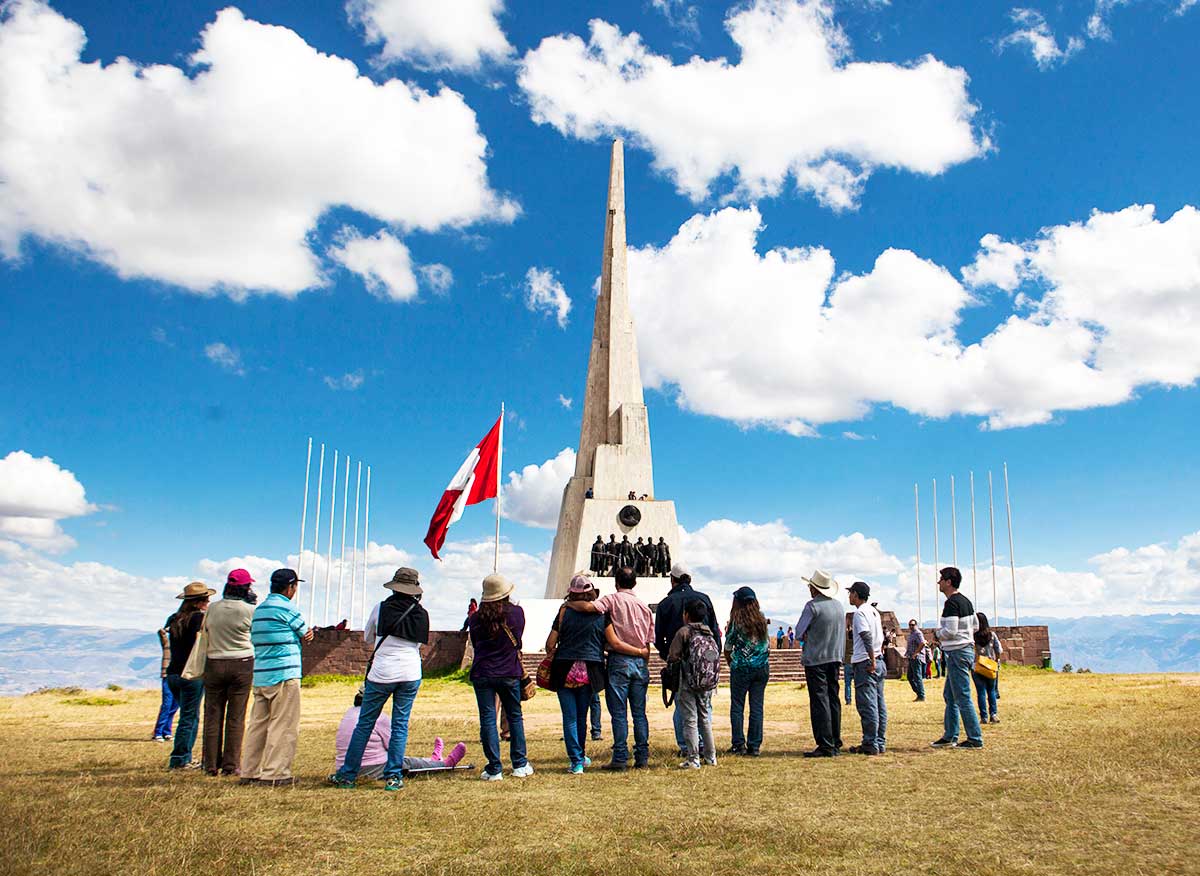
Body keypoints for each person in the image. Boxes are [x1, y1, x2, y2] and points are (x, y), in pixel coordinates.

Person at [330, 568, 429, 791]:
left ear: (394, 586)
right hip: (410, 671)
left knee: (365, 723)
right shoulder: (421, 613)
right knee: (400, 724)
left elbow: (368, 637)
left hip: (382, 672)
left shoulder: (381, 608)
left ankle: (347, 775)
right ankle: (394, 775)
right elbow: (418, 644)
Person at [546, 574, 648, 774]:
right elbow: (614, 642)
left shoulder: (564, 612)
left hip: (564, 668)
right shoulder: (602, 614)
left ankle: (576, 760)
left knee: (570, 717)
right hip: (589, 669)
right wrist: (639, 652)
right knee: (583, 715)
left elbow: (550, 643)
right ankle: (583, 755)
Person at [241, 569, 313, 786]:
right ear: (290, 587)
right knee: (284, 725)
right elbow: (304, 632)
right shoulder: (287, 608)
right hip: (284, 673)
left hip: (262, 673)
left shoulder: (260, 609)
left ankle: (249, 770)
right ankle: (276, 772)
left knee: (257, 725)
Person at [466, 573, 532, 781]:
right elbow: (518, 641)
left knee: (487, 719)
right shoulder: (516, 613)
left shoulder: (475, 618)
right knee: (514, 716)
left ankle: (494, 768)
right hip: (509, 671)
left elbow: (476, 644)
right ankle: (520, 764)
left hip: (483, 672)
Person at [654, 563, 722, 757]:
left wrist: (668, 656)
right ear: (690, 579)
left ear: (672, 579)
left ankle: (686, 747)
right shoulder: (704, 599)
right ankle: (704, 747)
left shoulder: (666, 603)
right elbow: (716, 632)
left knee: (682, 706)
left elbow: (658, 638)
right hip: (704, 663)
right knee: (705, 706)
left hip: (679, 663)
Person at [334, 689, 466, 778]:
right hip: (370, 768)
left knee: (404, 760)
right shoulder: (379, 717)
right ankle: (445, 764)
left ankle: (434, 760)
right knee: (407, 762)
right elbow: (393, 746)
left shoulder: (348, 714)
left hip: (343, 767)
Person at [201, 568, 257, 776]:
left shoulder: (212, 609)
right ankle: (231, 764)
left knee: (212, 715)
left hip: (214, 662)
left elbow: (205, 630)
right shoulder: (248, 611)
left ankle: (210, 764)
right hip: (241, 663)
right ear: (246, 588)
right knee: (236, 716)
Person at [930, 567, 984, 750]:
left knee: (962, 696)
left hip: (957, 652)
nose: (938, 583)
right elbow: (975, 626)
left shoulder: (952, 603)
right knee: (950, 696)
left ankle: (975, 738)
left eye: (941, 579)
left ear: (948, 582)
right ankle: (950, 735)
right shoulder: (966, 602)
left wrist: (938, 634)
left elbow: (951, 631)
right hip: (965, 649)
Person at [794, 570, 844, 757]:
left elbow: (799, 632)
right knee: (833, 699)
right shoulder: (839, 606)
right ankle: (835, 740)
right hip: (834, 657)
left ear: (814, 589)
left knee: (819, 701)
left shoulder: (812, 607)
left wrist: (808, 634)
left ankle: (825, 744)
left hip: (816, 659)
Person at [164, 581, 214, 769]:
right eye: (206, 599)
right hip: (190, 673)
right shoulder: (198, 620)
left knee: (186, 715)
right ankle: (180, 758)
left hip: (173, 673)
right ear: (199, 602)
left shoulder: (174, 619)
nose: (208, 602)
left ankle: (183, 756)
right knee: (189, 717)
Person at [668, 598, 720, 769]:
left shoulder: (684, 632)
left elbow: (673, 656)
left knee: (690, 719)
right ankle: (711, 757)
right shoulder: (709, 633)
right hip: (706, 682)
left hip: (687, 682)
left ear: (686, 615)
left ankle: (693, 758)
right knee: (705, 717)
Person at [724, 586, 769, 757]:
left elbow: (728, 647)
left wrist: (732, 663)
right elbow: (766, 646)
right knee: (757, 707)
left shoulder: (737, 621)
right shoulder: (762, 620)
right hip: (761, 667)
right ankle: (754, 745)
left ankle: (738, 743)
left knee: (737, 707)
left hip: (742, 668)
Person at [847, 582, 886, 755]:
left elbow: (866, 636)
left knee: (867, 704)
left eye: (850, 593)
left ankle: (870, 742)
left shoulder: (860, 613)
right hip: (878, 658)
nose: (849, 596)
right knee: (878, 703)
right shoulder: (874, 612)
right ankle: (879, 740)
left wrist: (871, 659)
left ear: (855, 594)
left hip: (866, 661)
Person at [973, 612, 1003, 724]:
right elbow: (998, 650)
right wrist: (997, 661)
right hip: (990, 666)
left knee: (980, 692)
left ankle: (984, 717)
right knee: (991, 690)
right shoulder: (992, 635)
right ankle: (993, 714)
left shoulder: (973, 636)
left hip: (978, 666)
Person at [152, 620, 178, 742]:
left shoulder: (183, 646)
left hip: (179, 675)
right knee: (167, 704)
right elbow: (161, 632)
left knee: (174, 705)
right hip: (167, 675)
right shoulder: (167, 644)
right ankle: (158, 732)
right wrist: (169, 629)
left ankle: (167, 731)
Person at [905, 618, 927, 701]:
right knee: (910, 677)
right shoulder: (911, 634)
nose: (911, 626)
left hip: (917, 658)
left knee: (917, 677)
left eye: (913, 625)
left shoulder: (918, 633)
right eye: (910, 625)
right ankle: (918, 693)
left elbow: (922, 642)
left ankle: (921, 695)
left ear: (916, 625)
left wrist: (916, 653)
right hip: (911, 658)